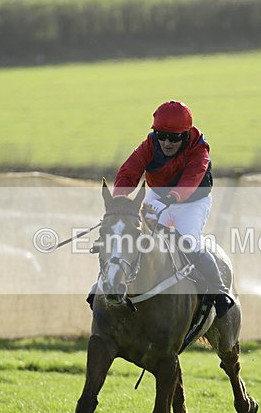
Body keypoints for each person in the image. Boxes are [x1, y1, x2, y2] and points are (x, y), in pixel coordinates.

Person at [87, 100, 235, 317]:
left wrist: (169, 199)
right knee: (135, 238)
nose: (166, 142)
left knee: (187, 241)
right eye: (161, 135)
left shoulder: (199, 150)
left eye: (174, 137)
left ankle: (220, 291)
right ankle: (103, 282)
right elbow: (129, 172)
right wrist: (118, 202)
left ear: (185, 136)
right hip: (158, 194)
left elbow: (189, 181)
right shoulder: (150, 145)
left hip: (192, 201)